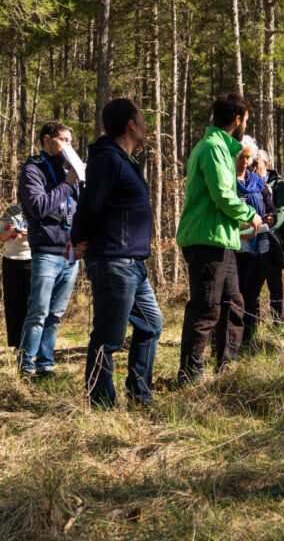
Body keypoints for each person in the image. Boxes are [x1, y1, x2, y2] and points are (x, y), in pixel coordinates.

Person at [72, 99, 163, 407]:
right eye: (143, 119)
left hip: (132, 263)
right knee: (108, 338)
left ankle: (140, 395)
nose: (146, 125)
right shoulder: (107, 159)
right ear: (131, 125)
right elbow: (89, 205)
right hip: (113, 260)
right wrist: (78, 238)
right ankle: (100, 404)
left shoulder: (126, 161)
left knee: (151, 325)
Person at [175, 93, 262, 382]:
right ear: (237, 120)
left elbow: (216, 202)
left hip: (222, 239)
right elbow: (223, 196)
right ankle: (190, 375)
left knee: (233, 303)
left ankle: (225, 367)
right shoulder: (213, 148)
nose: (245, 127)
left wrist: (236, 227)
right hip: (206, 241)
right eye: (246, 121)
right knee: (206, 307)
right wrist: (250, 214)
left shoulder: (222, 149)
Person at [17, 121, 82, 379]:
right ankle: (26, 365)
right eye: (63, 140)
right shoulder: (33, 170)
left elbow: (78, 209)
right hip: (45, 250)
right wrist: (67, 183)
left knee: (55, 314)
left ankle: (45, 364)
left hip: (70, 252)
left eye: (70, 141)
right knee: (39, 311)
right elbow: (39, 207)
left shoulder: (69, 170)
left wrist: (82, 182)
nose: (68, 146)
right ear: (47, 139)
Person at [234, 136, 275, 349]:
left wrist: (269, 218)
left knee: (252, 296)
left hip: (260, 248)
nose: (243, 161)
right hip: (234, 248)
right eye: (240, 156)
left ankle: (249, 340)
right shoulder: (227, 184)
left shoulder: (260, 184)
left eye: (248, 157)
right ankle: (232, 340)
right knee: (235, 295)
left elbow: (271, 209)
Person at [253, 149, 284, 325]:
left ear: (265, 164)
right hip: (252, 239)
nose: (252, 165)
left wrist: (272, 221)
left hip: (274, 240)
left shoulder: (279, 185)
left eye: (256, 161)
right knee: (253, 286)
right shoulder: (246, 181)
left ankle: (278, 323)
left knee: (275, 285)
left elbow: (282, 210)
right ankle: (254, 323)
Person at [0, 204, 32, 347]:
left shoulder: (38, 208)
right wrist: (10, 233)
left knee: (34, 304)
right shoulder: (10, 212)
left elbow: (46, 233)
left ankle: (33, 343)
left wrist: (31, 234)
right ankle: (18, 344)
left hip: (32, 259)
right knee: (14, 304)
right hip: (11, 261)